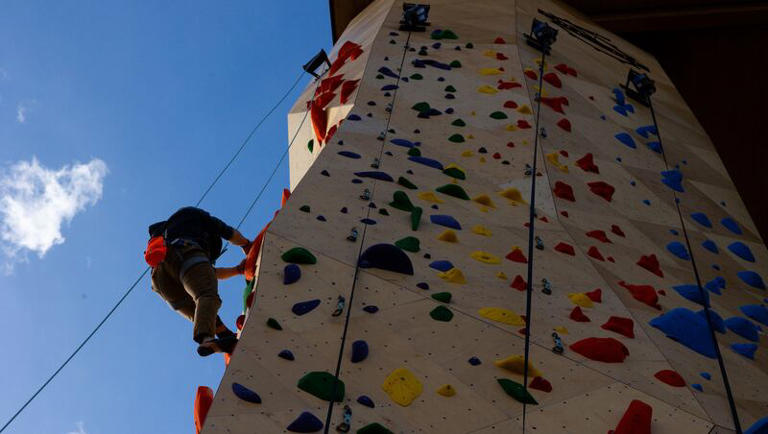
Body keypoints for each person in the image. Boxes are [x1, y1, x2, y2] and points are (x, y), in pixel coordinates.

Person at [147, 207, 251, 357]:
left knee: (201, 310)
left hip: (160, 279)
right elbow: (226, 232)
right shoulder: (198, 219)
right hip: (184, 252)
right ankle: (207, 338)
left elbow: (207, 273)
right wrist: (246, 244)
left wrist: (237, 270)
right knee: (207, 296)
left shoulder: (166, 234)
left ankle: (223, 337)